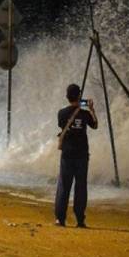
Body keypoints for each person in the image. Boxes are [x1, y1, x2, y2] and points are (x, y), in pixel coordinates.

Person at [54, 83, 98, 228]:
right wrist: (91, 109)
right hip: (82, 155)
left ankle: (60, 219)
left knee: (64, 186)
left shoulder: (61, 113)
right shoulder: (84, 114)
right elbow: (95, 125)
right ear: (79, 96)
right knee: (80, 187)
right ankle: (80, 220)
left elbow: (61, 125)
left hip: (67, 154)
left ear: (67, 97)